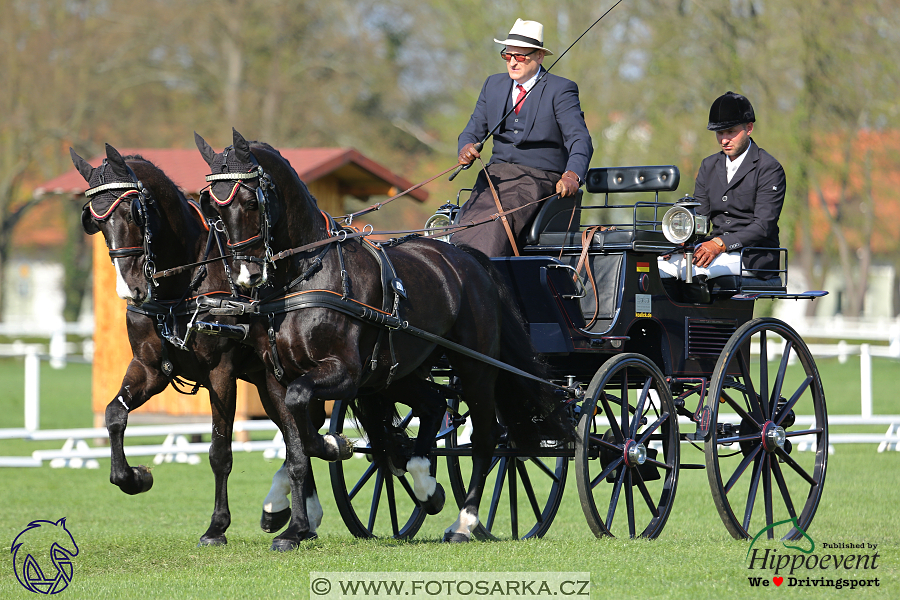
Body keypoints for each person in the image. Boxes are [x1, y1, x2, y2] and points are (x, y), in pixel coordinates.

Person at [450, 18, 593, 257]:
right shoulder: (492, 85)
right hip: (494, 177)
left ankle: (484, 280)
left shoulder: (560, 89)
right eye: (508, 56)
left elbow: (580, 139)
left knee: (496, 222)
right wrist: (465, 147)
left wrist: (572, 175)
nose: (513, 62)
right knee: (461, 224)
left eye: (520, 56)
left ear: (539, 56)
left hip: (537, 178)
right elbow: (472, 129)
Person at [659, 91, 786, 282]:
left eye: (731, 132)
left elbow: (763, 225)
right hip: (712, 249)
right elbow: (700, 216)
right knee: (658, 268)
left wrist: (720, 244)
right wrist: (678, 243)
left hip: (753, 255)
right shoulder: (708, 165)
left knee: (694, 273)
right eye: (720, 133)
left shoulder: (769, 168)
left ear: (749, 128)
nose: (724, 140)